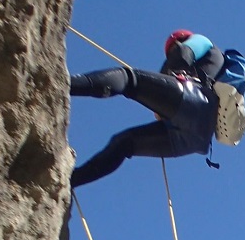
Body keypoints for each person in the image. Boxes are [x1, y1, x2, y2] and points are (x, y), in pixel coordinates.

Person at [68, 31, 225, 187]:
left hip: (194, 99)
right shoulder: (213, 64)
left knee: (129, 79)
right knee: (124, 142)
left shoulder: (201, 41)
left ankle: (66, 84)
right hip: (195, 138)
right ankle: (70, 181)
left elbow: (182, 54)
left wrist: (170, 71)